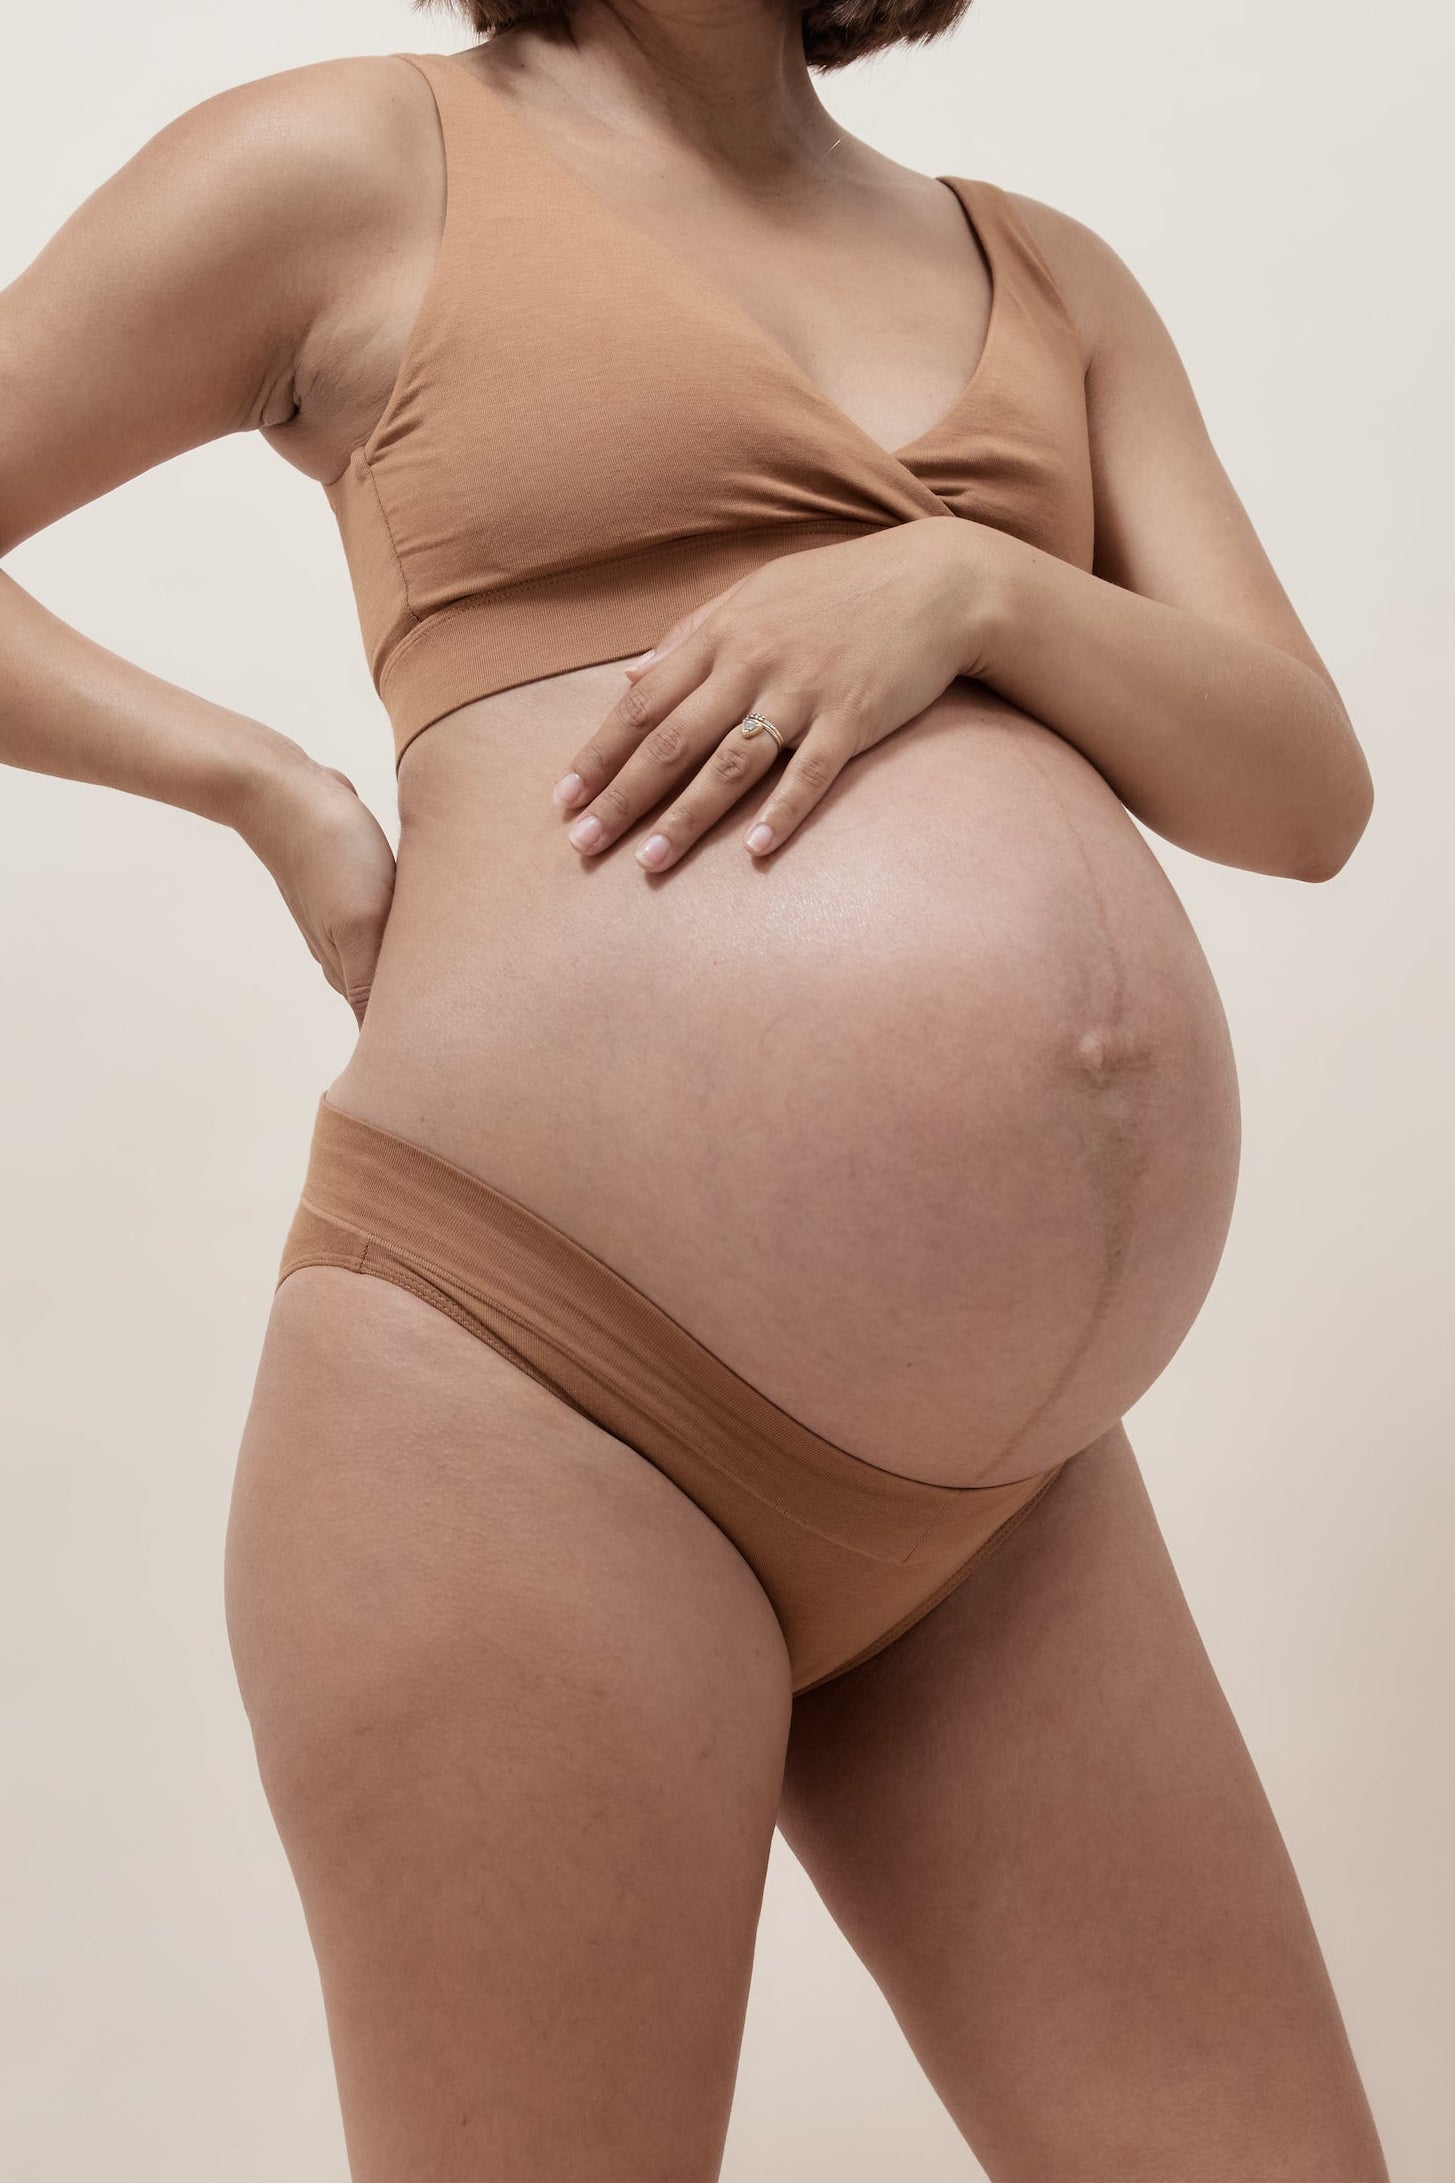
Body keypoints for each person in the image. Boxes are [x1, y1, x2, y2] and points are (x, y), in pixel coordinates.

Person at [0, 0, 1388, 2174]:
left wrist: (966, 587)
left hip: (994, 1501)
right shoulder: (352, 161)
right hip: (533, 1402)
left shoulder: (1045, 271)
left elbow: (1298, 788)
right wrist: (255, 784)